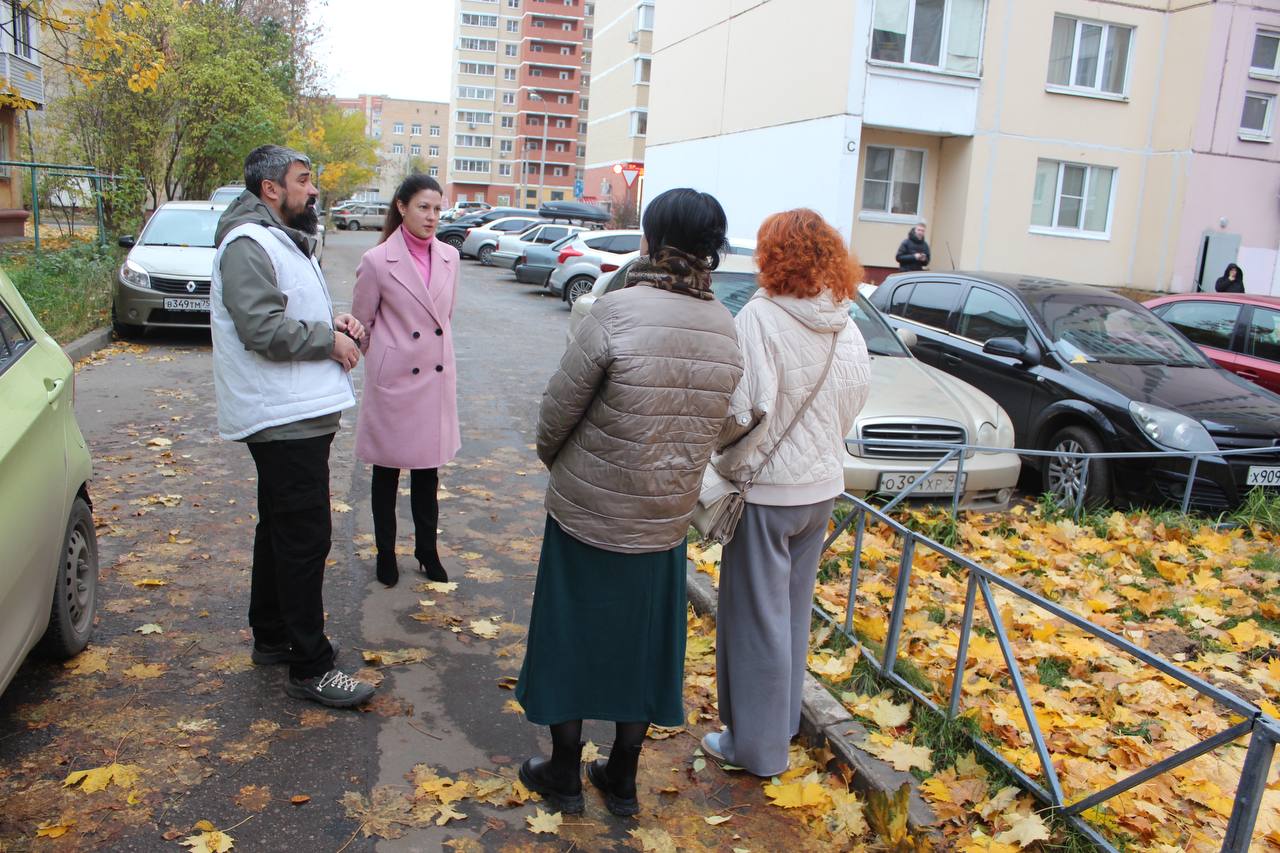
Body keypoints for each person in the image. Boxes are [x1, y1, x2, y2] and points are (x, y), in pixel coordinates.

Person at [515, 188, 745, 817]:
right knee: (642, 648)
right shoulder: (726, 326)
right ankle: (621, 778)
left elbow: (556, 414)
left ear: (651, 239)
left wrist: (558, 464)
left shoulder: (617, 310)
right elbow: (723, 423)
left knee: (570, 639)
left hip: (587, 511)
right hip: (662, 520)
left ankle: (563, 773)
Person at [702, 208, 872, 777]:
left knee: (754, 622)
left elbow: (738, 409)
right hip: (820, 491)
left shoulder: (760, 317)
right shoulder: (845, 321)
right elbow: (855, 399)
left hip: (767, 494)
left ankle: (756, 749)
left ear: (774, 257)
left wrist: (720, 454)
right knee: (793, 616)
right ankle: (782, 728)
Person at [210, 144, 376, 709]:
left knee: (280, 529)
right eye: (303, 181)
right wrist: (326, 340)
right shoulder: (247, 243)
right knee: (305, 538)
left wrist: (334, 322)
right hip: (282, 417)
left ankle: (274, 635)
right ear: (270, 189)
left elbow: (284, 311)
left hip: (295, 413)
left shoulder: (279, 239)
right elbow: (260, 328)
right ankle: (311, 665)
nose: (313, 190)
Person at [351, 174, 459, 587]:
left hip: (433, 380)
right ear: (401, 207)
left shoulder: (450, 257)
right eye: (423, 208)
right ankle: (385, 553)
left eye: (437, 208)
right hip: (395, 382)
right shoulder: (377, 260)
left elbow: (445, 320)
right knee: (387, 473)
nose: (432, 217)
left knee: (428, 476)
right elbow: (362, 324)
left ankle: (427, 552)